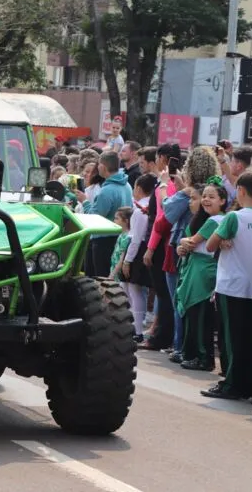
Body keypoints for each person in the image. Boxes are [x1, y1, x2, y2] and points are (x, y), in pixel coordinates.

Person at [202, 171, 252, 400]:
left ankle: (231, 385)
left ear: (240, 190)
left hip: (232, 285)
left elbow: (210, 245)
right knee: (248, 339)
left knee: (230, 339)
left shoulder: (235, 217)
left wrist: (222, 239)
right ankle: (246, 382)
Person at [175, 181, 227, 372]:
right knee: (194, 315)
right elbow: (187, 244)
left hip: (203, 272)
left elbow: (192, 241)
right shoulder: (206, 220)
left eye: (211, 197)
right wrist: (183, 245)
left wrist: (183, 242)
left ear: (222, 201)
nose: (205, 200)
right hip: (196, 269)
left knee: (200, 316)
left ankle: (203, 358)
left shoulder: (217, 221)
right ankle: (194, 355)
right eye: (204, 196)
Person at [139, 143, 182, 352]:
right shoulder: (169, 183)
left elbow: (161, 220)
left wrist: (150, 247)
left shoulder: (166, 185)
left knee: (164, 294)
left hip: (162, 244)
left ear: (163, 158)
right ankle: (161, 333)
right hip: (165, 243)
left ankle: (161, 337)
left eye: (157, 157)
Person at [75, 151, 133, 277]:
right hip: (119, 237)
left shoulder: (106, 191)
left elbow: (94, 217)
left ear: (102, 167)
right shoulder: (127, 185)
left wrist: (84, 201)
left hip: (103, 240)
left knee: (98, 279)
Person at [123, 174, 157, 340]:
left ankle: (136, 330)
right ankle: (137, 328)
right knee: (140, 291)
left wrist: (128, 260)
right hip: (147, 248)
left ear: (138, 188)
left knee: (135, 290)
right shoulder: (152, 206)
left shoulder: (139, 210)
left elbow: (135, 239)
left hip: (138, 250)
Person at [109, 207, 133, 285]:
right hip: (115, 269)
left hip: (118, 273)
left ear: (126, 221)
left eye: (117, 218)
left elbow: (121, 259)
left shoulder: (126, 237)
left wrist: (112, 274)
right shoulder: (122, 235)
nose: (114, 221)